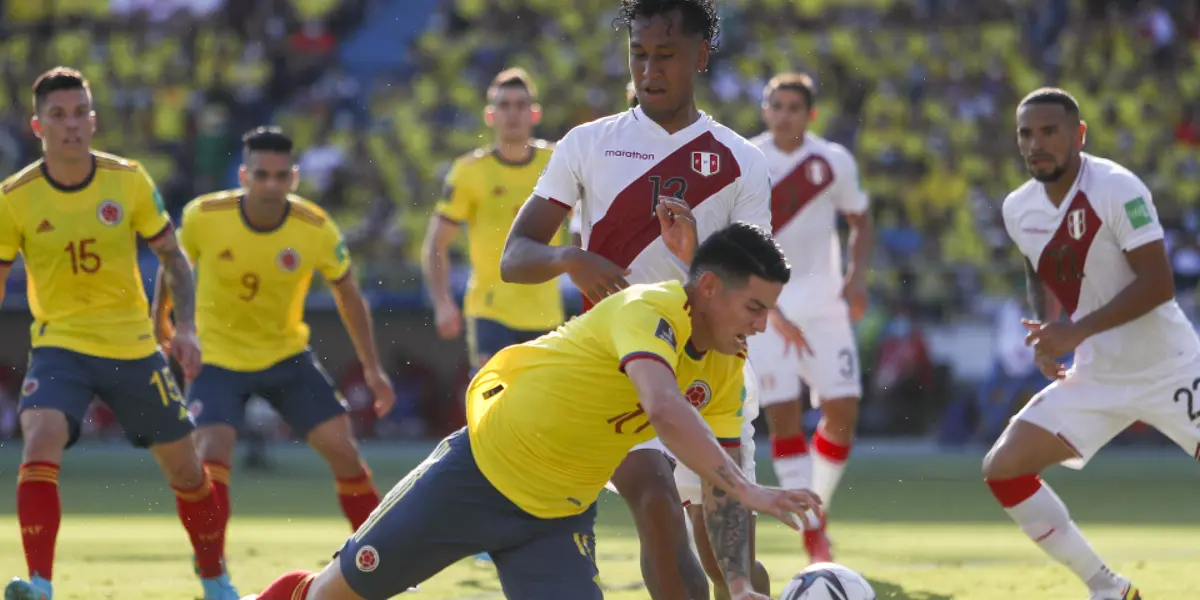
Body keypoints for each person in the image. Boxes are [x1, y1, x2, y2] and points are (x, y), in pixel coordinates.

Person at [243, 222, 821, 600]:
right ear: (712, 288)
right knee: (327, 598)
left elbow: (715, 476)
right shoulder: (649, 307)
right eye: (755, 306)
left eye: (769, 311)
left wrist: (742, 584)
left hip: (556, 517)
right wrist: (754, 491)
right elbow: (665, 412)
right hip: (476, 475)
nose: (762, 325)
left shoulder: (725, 364)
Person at [500, 2, 789, 597]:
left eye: (666, 55)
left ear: (700, 57)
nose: (649, 69)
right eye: (638, 55)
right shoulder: (586, 144)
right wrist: (569, 258)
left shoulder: (741, 160)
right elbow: (516, 256)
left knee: (730, 563)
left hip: (714, 373)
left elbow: (756, 288)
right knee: (656, 501)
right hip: (617, 372)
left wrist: (693, 258)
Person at [0, 67, 235, 600]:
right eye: (58, 116)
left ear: (93, 119)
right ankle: (39, 584)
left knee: (188, 472)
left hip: (132, 348)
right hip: (60, 345)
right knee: (39, 438)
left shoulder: (127, 179)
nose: (71, 125)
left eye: (80, 113)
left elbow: (173, 258)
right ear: (38, 126)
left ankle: (216, 580)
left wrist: (187, 328)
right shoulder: (14, 198)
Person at [982, 87, 1200, 600]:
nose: (1037, 143)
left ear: (1079, 135)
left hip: (1170, 367)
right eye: (1026, 134)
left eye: (1050, 131)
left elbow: (1158, 284)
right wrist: (1046, 329)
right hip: (1097, 374)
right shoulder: (1019, 208)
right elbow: (1041, 268)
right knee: (1003, 467)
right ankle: (1108, 588)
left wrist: (1075, 331)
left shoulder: (1117, 188)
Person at [152, 127, 395, 540]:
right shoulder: (202, 216)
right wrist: (161, 321)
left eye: (280, 176)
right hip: (218, 359)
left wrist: (373, 369)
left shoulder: (314, 227)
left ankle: (381, 561)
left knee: (345, 453)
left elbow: (350, 296)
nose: (271, 184)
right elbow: (173, 266)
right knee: (211, 456)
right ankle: (214, 573)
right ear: (243, 175)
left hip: (286, 357)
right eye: (261, 175)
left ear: (294, 178)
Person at [745, 72, 873, 563]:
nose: (784, 115)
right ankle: (813, 530)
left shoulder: (832, 160)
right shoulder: (748, 159)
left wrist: (856, 278)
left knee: (843, 410)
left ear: (810, 114)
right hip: (765, 307)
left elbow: (860, 220)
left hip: (823, 302)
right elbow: (738, 235)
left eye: (794, 107)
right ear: (765, 110)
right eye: (776, 105)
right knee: (783, 417)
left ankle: (816, 506)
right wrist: (767, 308)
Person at [420, 67, 565, 377]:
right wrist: (442, 301)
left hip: (545, 312)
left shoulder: (558, 163)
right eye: (504, 105)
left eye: (521, 104)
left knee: (541, 409)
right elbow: (437, 242)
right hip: (490, 309)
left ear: (535, 114)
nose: (512, 113)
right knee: (493, 402)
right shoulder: (469, 171)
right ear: (490, 115)